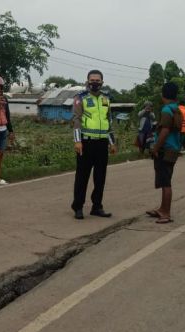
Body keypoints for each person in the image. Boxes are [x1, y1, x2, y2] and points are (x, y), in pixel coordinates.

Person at [71, 70, 117, 220]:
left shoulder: (106, 99)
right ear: (87, 81)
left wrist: (112, 142)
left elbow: (108, 121)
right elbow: (76, 120)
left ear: (102, 82)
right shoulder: (81, 98)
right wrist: (77, 141)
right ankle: (78, 206)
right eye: (92, 80)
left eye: (98, 80)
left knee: (100, 177)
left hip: (102, 143)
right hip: (86, 142)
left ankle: (97, 206)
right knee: (82, 177)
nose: (95, 82)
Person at [146, 82, 182, 224]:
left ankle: (166, 213)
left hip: (165, 149)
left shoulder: (167, 110)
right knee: (165, 179)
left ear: (163, 94)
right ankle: (162, 208)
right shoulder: (176, 109)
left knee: (165, 182)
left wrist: (155, 148)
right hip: (173, 148)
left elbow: (165, 131)